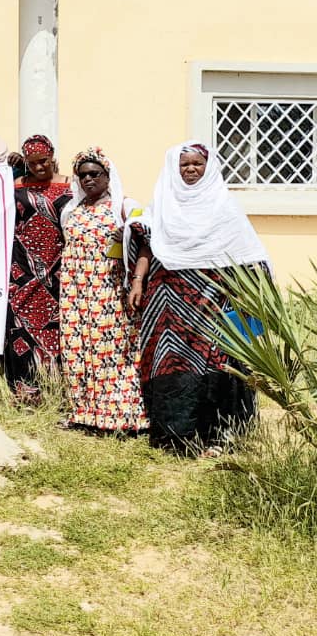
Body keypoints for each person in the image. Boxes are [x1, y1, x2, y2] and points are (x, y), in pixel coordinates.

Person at [126, 143, 269, 456]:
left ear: (209, 167)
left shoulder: (224, 206)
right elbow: (146, 244)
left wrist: (251, 296)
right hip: (167, 302)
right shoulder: (162, 204)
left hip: (213, 299)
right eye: (184, 165)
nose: (190, 169)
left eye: (197, 164)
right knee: (170, 360)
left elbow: (247, 253)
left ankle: (220, 435)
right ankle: (175, 436)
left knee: (217, 359)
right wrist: (137, 281)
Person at [58, 148, 147, 433]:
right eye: (82, 175)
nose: (88, 179)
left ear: (108, 176)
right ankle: (85, 414)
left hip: (110, 292)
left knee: (114, 351)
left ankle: (123, 417)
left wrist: (128, 237)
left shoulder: (125, 206)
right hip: (76, 294)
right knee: (80, 350)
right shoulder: (70, 210)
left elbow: (147, 240)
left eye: (94, 174)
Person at [4, 137, 72, 403]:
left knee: (58, 325)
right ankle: (26, 390)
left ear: (52, 155)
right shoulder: (15, 186)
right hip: (22, 268)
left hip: (59, 267)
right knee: (21, 326)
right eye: (32, 164)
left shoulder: (70, 185)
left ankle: (58, 388)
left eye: (43, 161)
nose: (39, 167)